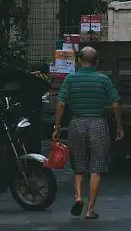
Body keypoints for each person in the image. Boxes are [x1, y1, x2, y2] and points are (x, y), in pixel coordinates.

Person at [52, 46, 123, 220]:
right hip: (98, 123)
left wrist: (57, 126)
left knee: (78, 167)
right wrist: (119, 126)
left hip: (76, 124)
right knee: (96, 169)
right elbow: (115, 102)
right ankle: (90, 209)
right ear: (96, 62)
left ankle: (77, 197)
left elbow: (61, 103)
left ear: (78, 61)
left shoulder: (70, 80)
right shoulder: (103, 80)